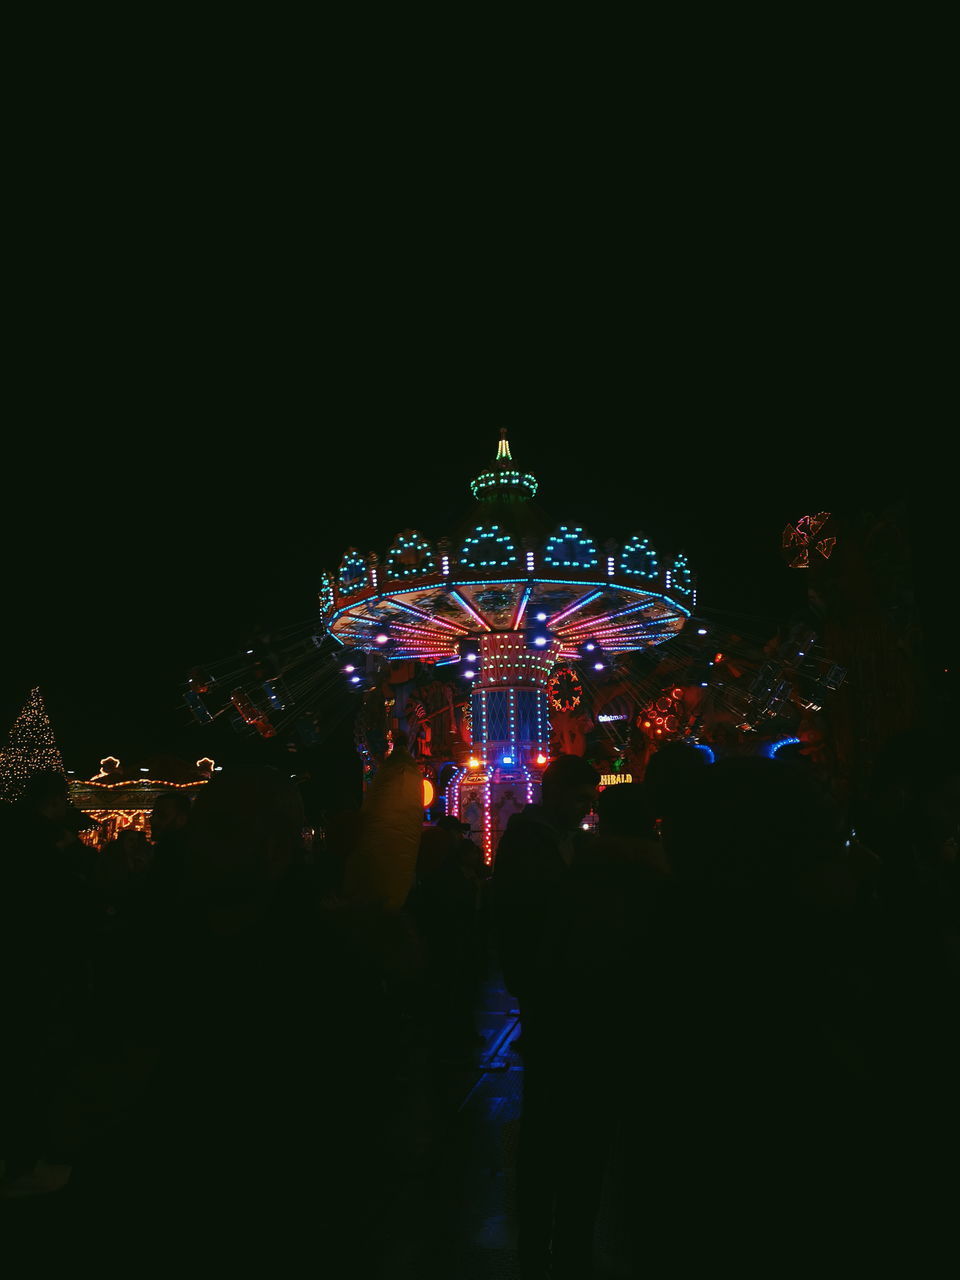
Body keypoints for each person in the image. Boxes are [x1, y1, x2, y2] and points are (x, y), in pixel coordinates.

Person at [492, 753, 600, 1279]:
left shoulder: (555, 840)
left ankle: (545, 1227)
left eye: (589, 799)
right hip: (554, 987)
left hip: (551, 986)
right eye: (579, 798)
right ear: (554, 791)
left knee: (553, 1109)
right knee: (555, 1113)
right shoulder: (537, 842)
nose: (584, 809)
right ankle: (550, 1231)